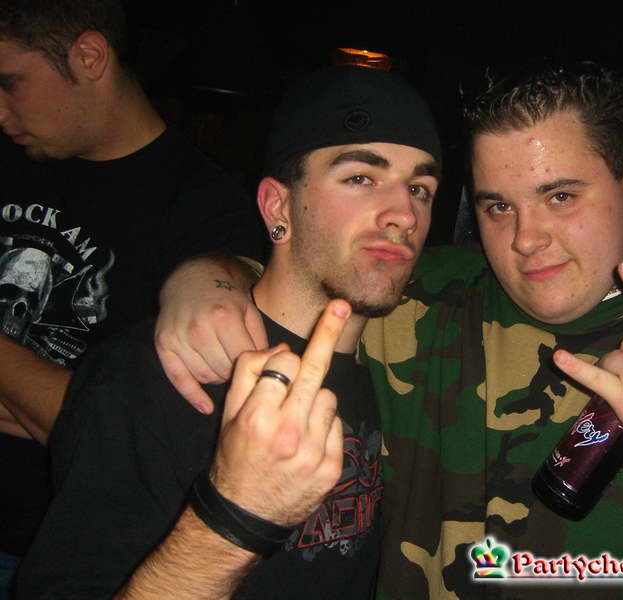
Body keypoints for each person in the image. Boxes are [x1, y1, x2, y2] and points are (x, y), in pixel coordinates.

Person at [153, 61, 623, 599]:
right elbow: (314, 266)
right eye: (497, 206)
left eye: (560, 196)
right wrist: (206, 278)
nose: (525, 239)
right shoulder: (423, 297)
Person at [16, 63, 443, 598]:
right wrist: (236, 515)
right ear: (277, 206)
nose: (404, 214)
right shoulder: (150, 374)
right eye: (360, 178)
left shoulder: (395, 372)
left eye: (420, 188)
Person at [0, 0, 263, 592]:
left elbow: (124, 435)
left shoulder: (206, 213)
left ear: (89, 57)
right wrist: (45, 393)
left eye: (10, 82)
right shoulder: (14, 163)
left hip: (47, 550)